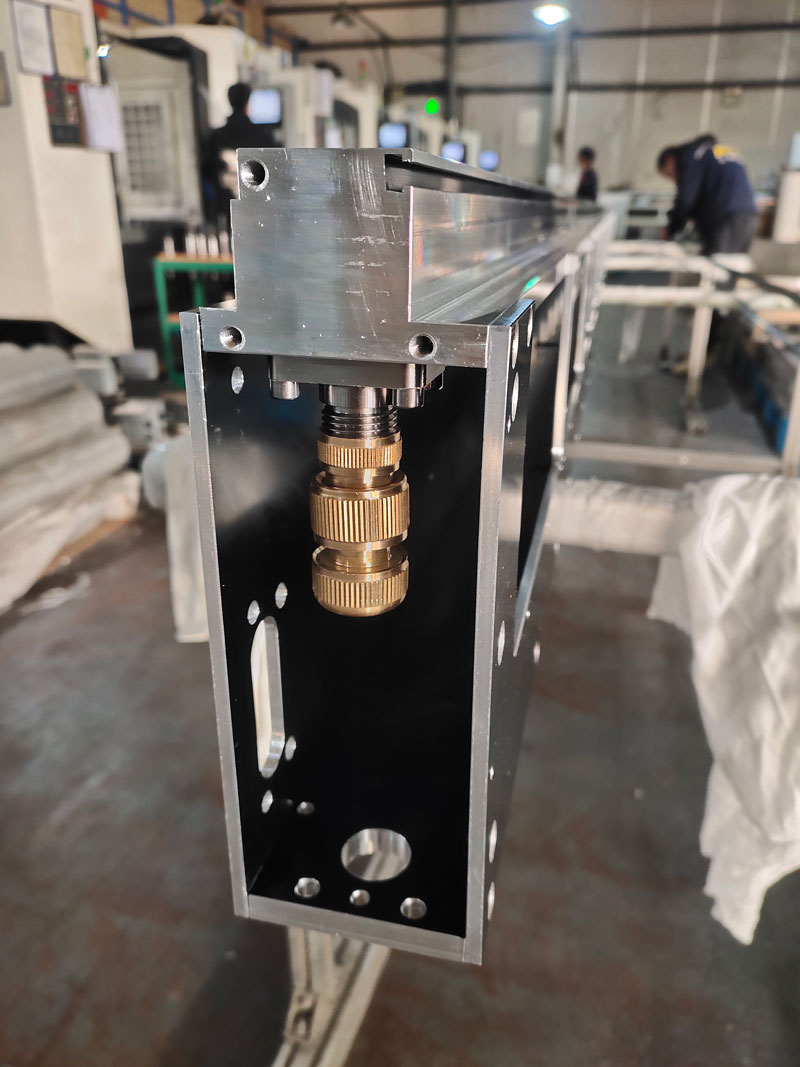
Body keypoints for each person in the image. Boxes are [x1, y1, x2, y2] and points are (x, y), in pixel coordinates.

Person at [656, 138, 757, 254]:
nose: (674, 180)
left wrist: (670, 230)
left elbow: (685, 200)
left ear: (670, 160)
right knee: (732, 261)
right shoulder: (715, 152)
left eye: (669, 174)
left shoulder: (692, 155)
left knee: (717, 262)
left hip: (724, 219)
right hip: (749, 216)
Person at [204, 83, 279, 223]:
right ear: (248, 103)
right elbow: (275, 171)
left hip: (226, 208)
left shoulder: (217, 137)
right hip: (258, 206)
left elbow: (207, 171)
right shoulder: (263, 137)